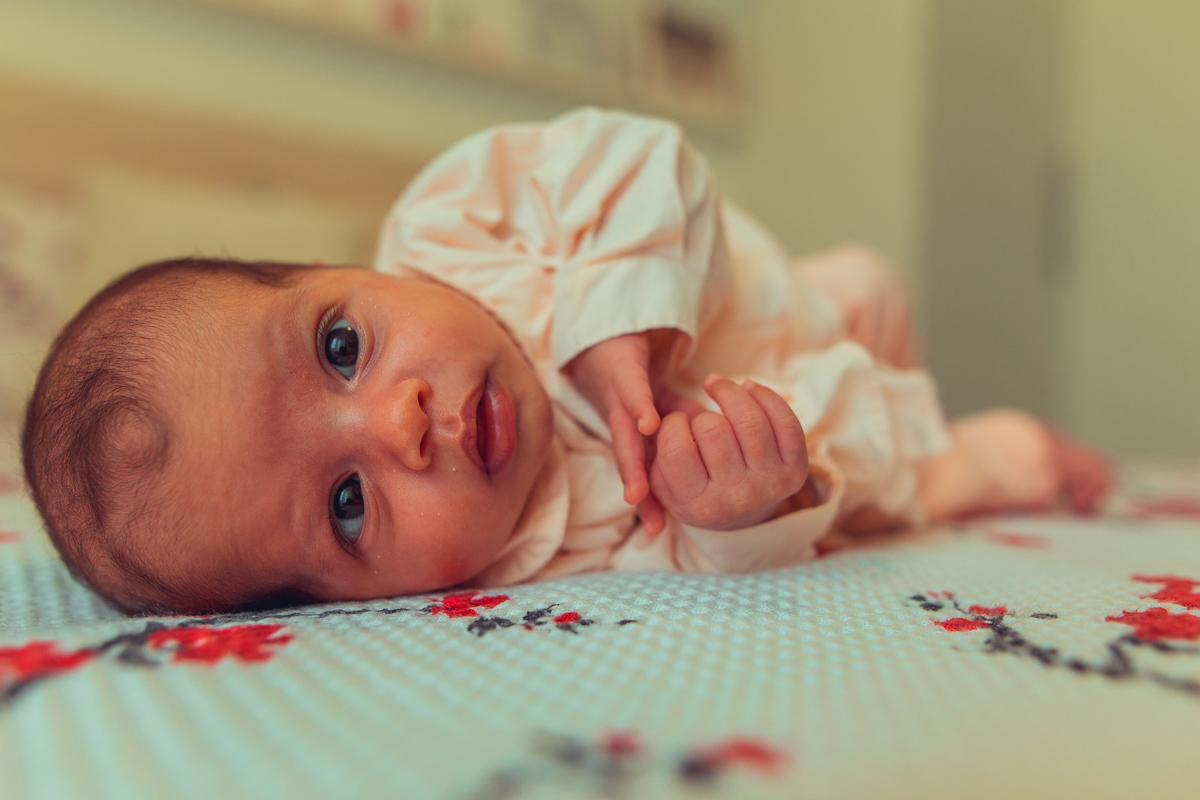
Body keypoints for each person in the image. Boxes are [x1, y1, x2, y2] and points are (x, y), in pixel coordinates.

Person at [21, 108, 1110, 614]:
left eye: (340, 348)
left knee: (872, 280)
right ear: (335, 599)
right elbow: (687, 574)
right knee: (895, 492)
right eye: (347, 505)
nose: (398, 423)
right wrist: (727, 517)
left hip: (805, 307)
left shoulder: (457, 225)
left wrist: (609, 332)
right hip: (816, 433)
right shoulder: (524, 558)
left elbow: (636, 161)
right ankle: (997, 452)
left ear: (333, 265)